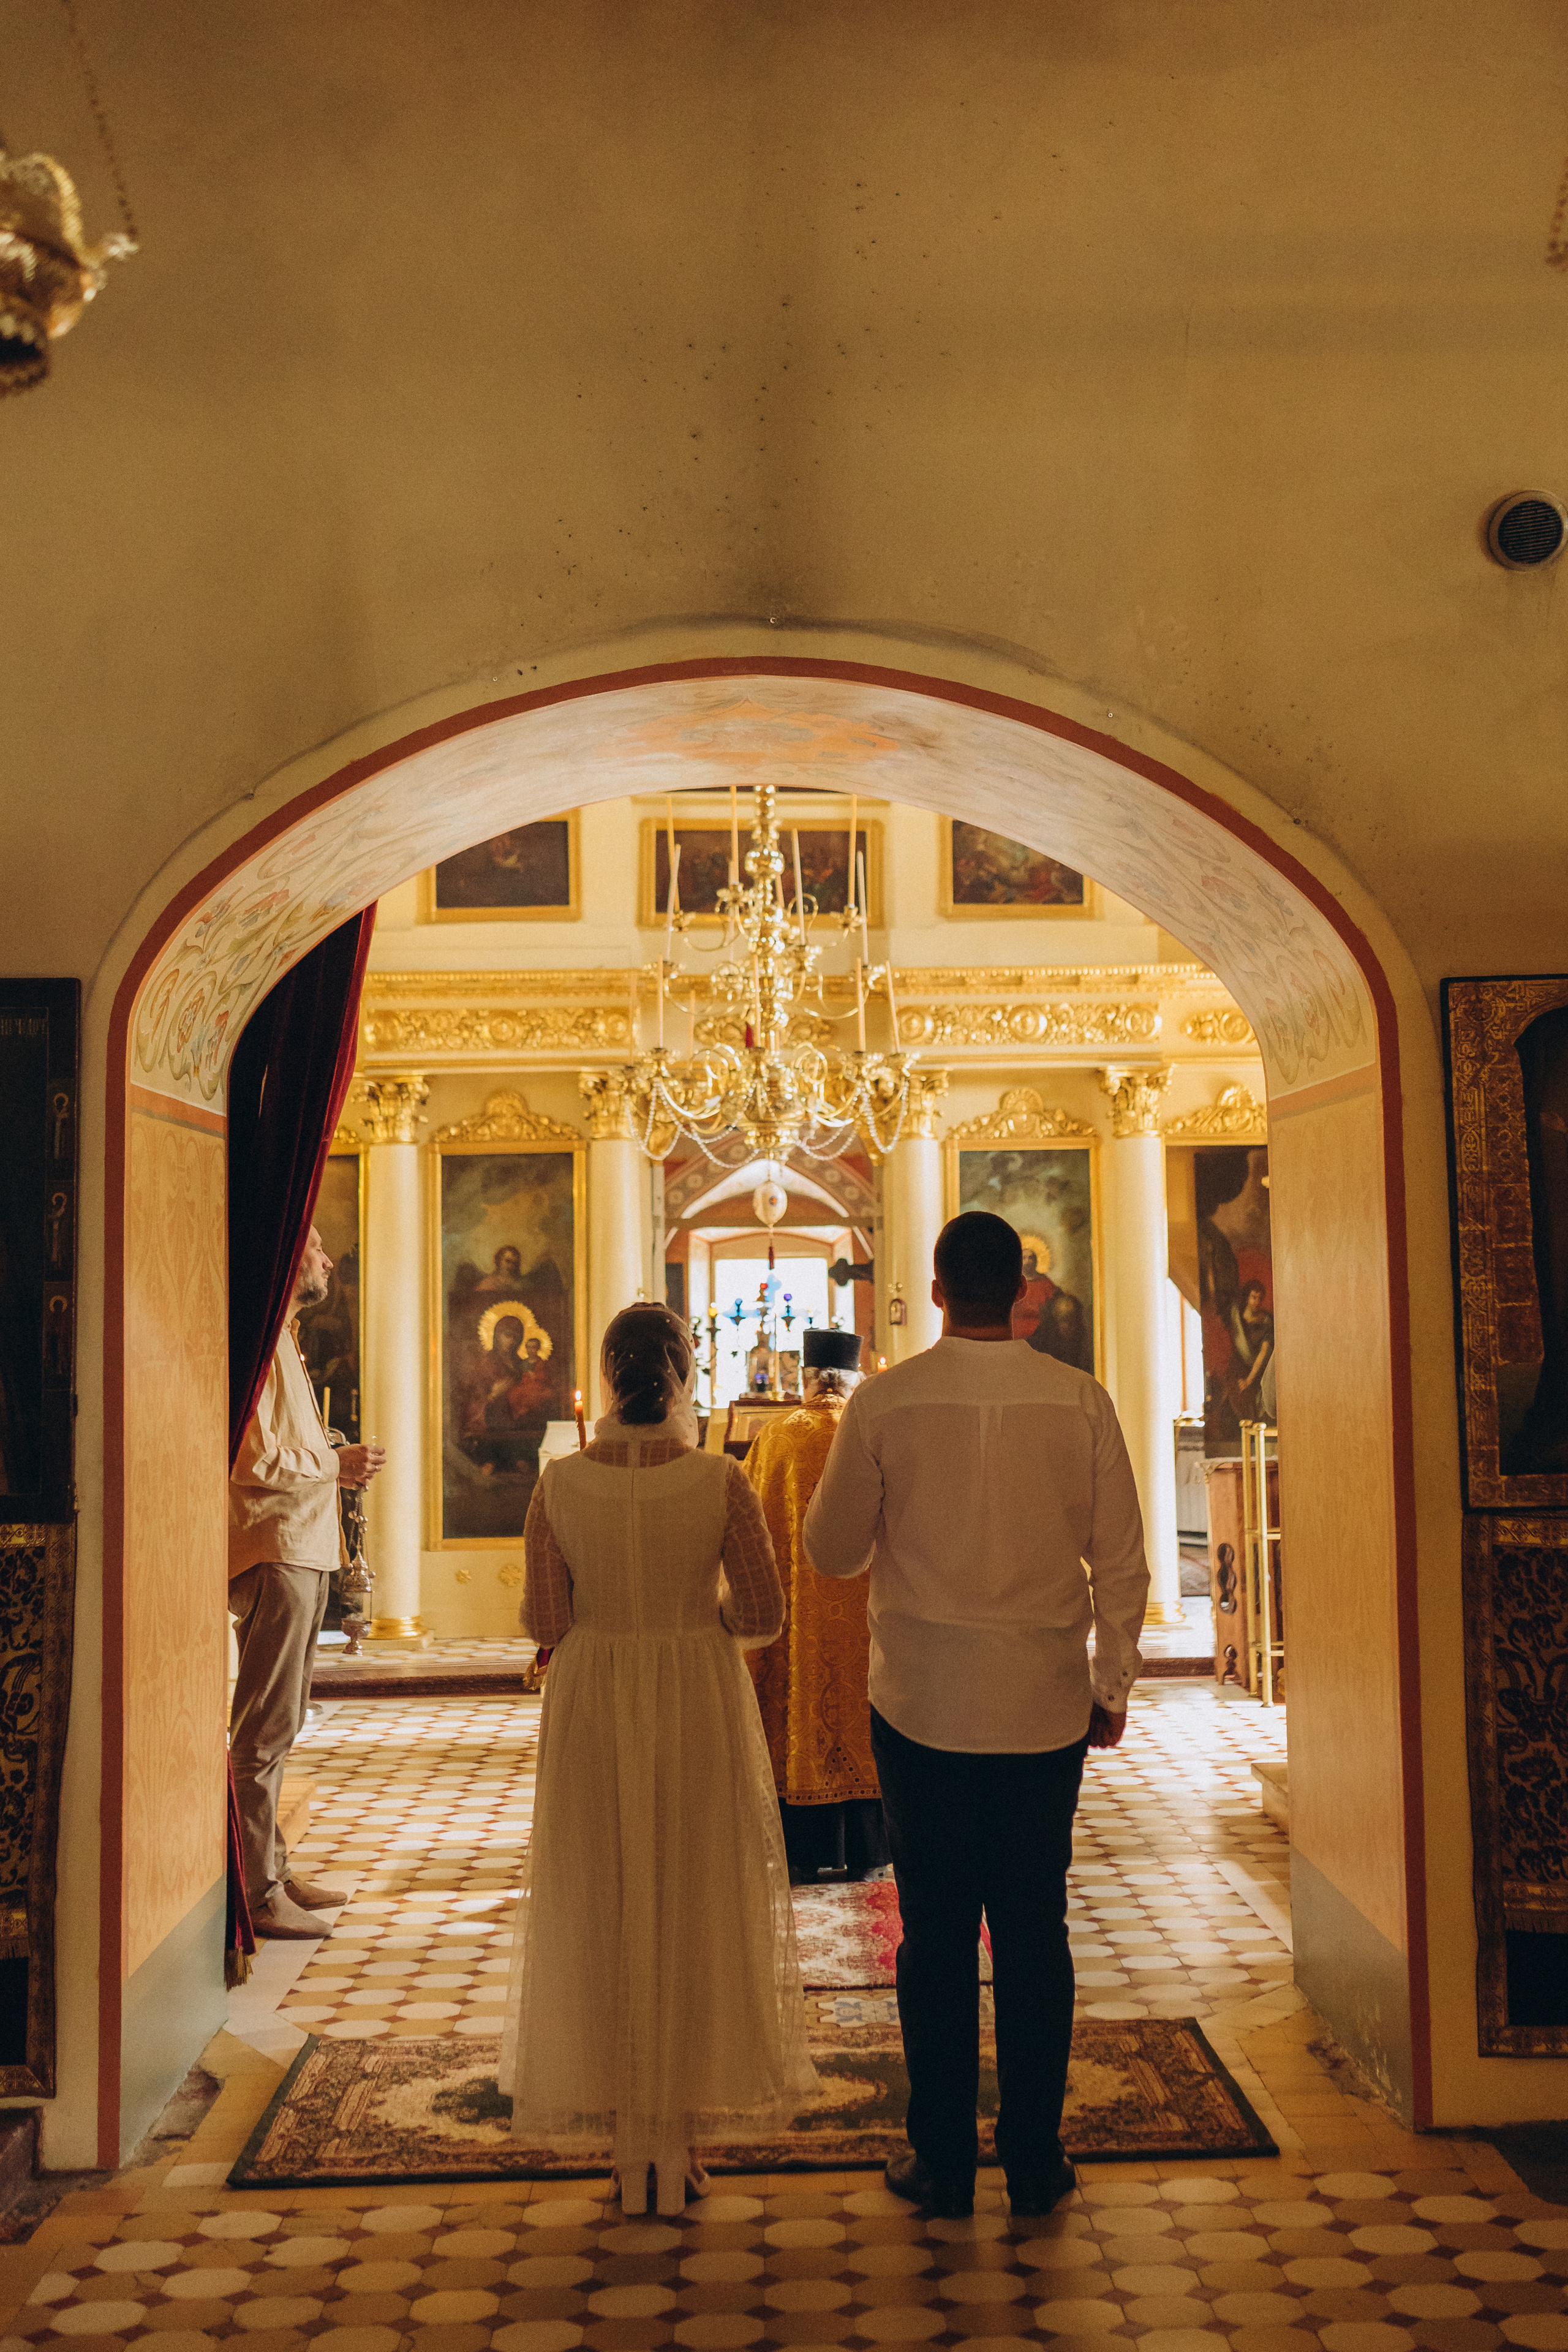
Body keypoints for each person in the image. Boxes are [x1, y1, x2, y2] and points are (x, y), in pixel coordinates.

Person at [804, 1211, 1149, 2221]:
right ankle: (1035, 2160)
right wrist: (1110, 1685)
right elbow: (1124, 1562)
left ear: (942, 1291)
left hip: (921, 1705)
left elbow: (831, 1551)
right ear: (1023, 1287)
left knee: (938, 1934)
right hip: (1047, 1709)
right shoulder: (1080, 1402)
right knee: (1036, 1930)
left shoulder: (886, 1403)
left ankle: (944, 2159)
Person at [501, 1302, 816, 2217]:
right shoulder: (721, 1479)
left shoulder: (558, 1484)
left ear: (608, 1378)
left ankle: (627, 2150)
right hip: (695, 1701)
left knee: (604, 1898)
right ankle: (674, 2147)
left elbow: (547, 1624)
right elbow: (763, 1616)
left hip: (595, 1697)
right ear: (683, 1374)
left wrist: (612, 1623)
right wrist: (694, 1625)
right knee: (690, 1899)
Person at [229, 1224, 385, 1939]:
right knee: (262, 1732)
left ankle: (274, 1868)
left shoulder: (287, 1345)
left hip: (304, 1547)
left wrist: (332, 1459)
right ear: (290, 1265)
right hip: (277, 1548)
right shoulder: (261, 1349)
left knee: (284, 1723)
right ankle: (257, 1895)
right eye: (317, 1250)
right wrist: (336, 1463)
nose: (327, 1260)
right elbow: (252, 1461)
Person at [745, 1327, 889, 1882]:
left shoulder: (777, 1438)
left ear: (805, 1380)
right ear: (856, 1381)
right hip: (869, 1621)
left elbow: (753, 1534)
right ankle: (870, 1850)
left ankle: (805, 1849)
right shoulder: (873, 1432)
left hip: (796, 1621)